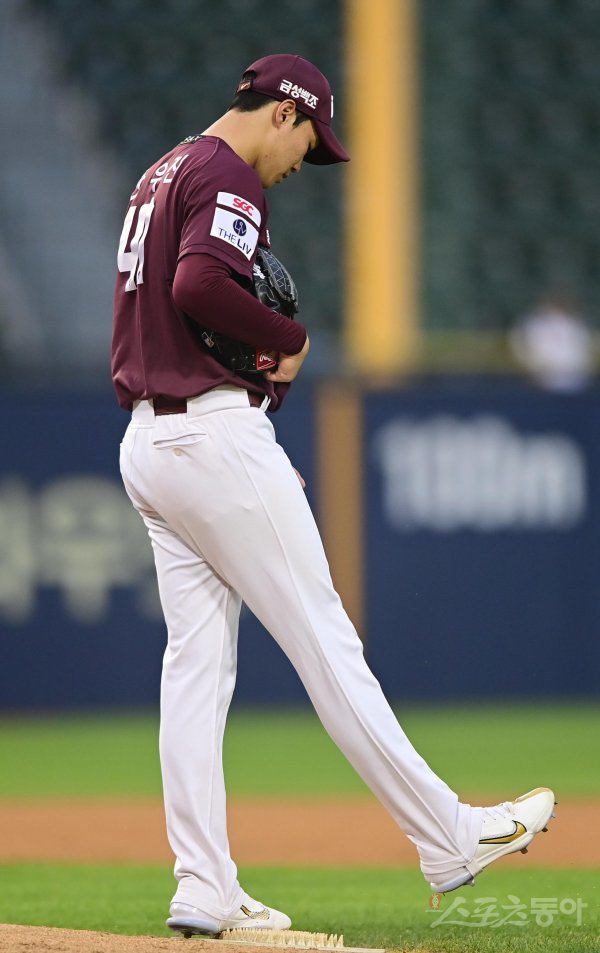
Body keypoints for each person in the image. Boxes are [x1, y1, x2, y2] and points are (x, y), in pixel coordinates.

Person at [112, 53, 555, 938]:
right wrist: (289, 339)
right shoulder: (228, 171)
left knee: (194, 671)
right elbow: (199, 284)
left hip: (149, 440)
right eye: (309, 142)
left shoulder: (163, 169)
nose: (301, 163)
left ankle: (203, 883)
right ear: (284, 111)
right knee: (325, 641)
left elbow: (166, 300)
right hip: (211, 433)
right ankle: (447, 835)